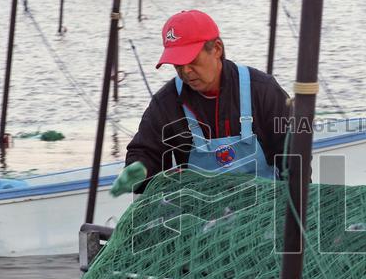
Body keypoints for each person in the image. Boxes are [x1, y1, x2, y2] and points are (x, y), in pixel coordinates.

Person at [116, 10, 289, 196]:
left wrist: (295, 204)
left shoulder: (263, 90)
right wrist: (140, 170)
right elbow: (145, 152)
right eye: (177, 64)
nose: (186, 71)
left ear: (217, 49)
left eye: (191, 60)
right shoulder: (166, 102)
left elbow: (293, 154)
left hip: (264, 204)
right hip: (199, 208)